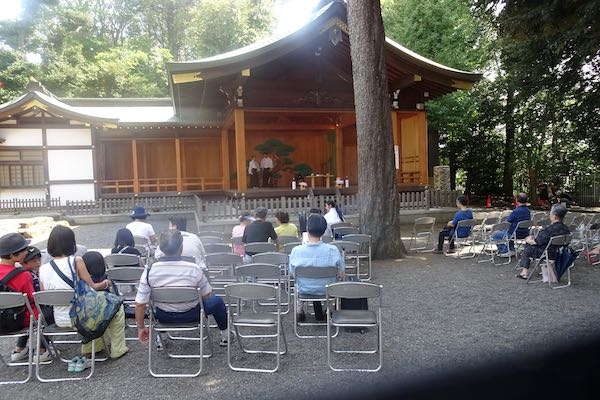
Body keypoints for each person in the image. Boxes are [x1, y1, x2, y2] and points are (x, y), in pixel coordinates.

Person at [38, 225, 128, 364]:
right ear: (71, 243)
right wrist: (107, 283)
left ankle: (91, 347)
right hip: (81, 318)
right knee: (115, 305)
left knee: (95, 307)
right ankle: (118, 349)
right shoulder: (77, 261)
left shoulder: (43, 268)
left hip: (60, 319)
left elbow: (45, 297)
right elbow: (93, 287)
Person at [134, 230, 230, 347]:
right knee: (217, 301)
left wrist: (141, 327)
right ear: (181, 247)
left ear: (161, 248)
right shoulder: (194, 269)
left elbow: (140, 304)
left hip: (163, 315)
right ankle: (226, 335)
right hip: (193, 314)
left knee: (157, 306)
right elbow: (206, 295)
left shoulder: (149, 271)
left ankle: (161, 338)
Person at [0, 236, 52, 363]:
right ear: (12, 255)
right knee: (49, 310)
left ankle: (20, 349)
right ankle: (42, 350)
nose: (26, 252)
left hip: (2, 321)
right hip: (18, 321)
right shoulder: (23, 275)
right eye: (23, 250)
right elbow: (32, 299)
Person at [288, 214, 345, 322]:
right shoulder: (333, 250)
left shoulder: (296, 251)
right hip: (328, 290)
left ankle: (299, 309)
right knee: (332, 283)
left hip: (304, 290)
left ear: (307, 229)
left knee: (298, 283)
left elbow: (292, 273)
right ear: (324, 230)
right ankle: (329, 308)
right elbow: (341, 274)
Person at [516, 203, 570, 279]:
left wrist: (528, 239)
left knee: (528, 246)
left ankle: (525, 272)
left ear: (555, 216)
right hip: (560, 253)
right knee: (531, 245)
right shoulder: (566, 229)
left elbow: (537, 242)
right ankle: (527, 271)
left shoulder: (550, 229)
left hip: (547, 253)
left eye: (550, 214)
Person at [492, 193, 531, 257]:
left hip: (514, 234)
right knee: (510, 230)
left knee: (495, 234)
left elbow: (507, 222)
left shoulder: (516, 211)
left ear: (517, 200)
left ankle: (504, 251)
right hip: (525, 233)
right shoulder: (528, 211)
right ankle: (512, 249)